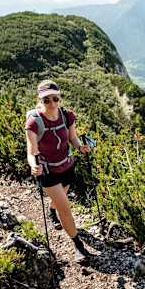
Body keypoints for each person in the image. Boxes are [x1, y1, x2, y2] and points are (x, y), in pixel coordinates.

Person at [25, 80, 92, 264]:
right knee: (66, 208)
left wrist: (80, 147)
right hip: (48, 172)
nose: (52, 103)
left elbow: (73, 138)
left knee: (60, 199)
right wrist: (33, 165)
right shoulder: (33, 123)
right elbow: (31, 151)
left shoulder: (67, 115)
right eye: (47, 100)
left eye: (55, 98)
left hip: (67, 166)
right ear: (40, 100)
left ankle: (52, 209)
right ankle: (78, 246)